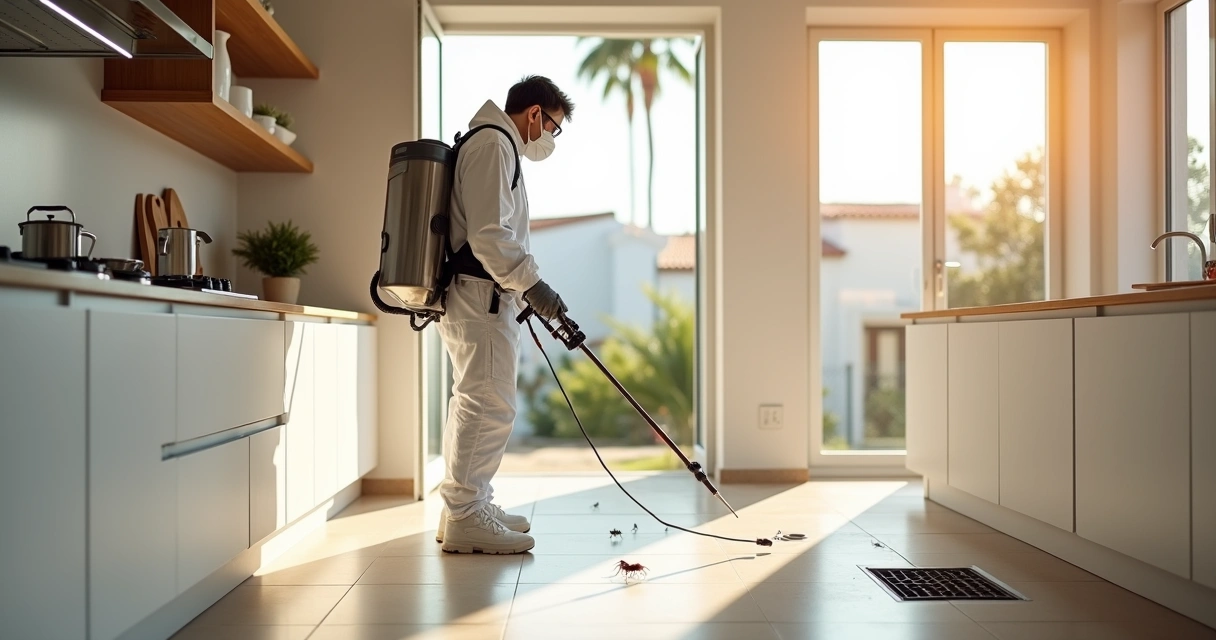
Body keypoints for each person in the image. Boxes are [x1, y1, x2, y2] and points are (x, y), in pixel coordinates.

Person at [435, 75, 573, 554]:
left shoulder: (493, 144)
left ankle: (467, 502)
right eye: (553, 127)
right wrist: (532, 284)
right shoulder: (494, 144)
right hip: (482, 295)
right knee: (489, 403)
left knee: (474, 399)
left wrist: (525, 287)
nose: (551, 139)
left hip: (481, 295)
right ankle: (465, 515)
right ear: (534, 114)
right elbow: (490, 234)